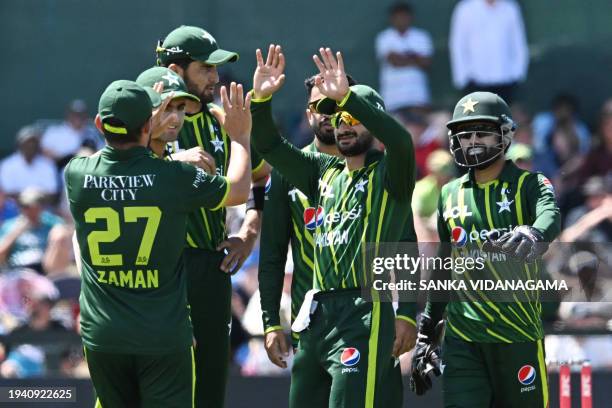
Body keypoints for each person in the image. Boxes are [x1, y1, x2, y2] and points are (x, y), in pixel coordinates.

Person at [65, 79, 252, 407]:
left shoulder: (76, 174)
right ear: (149, 124)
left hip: (102, 336)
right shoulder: (172, 178)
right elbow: (237, 190)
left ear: (98, 123)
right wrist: (240, 137)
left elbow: (116, 167)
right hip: (161, 337)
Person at [251, 44, 417, 407]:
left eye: (351, 118)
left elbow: (402, 142)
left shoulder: (392, 175)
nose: (341, 125)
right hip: (314, 315)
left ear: (373, 119)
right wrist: (261, 101)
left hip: (362, 309)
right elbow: (268, 146)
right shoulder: (321, 172)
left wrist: (348, 100)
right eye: (335, 117)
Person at [411, 91, 561, 407]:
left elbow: (551, 215)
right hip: (463, 341)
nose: (473, 141)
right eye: (465, 135)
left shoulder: (529, 184)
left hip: (517, 335)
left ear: (504, 135)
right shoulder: (449, 193)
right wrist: (427, 332)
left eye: (482, 133)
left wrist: (534, 234)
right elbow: (444, 264)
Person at [156, 26, 270, 407]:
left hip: (212, 263)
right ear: (176, 69)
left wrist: (251, 227)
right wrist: (171, 160)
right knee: (165, 381)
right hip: (161, 267)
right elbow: (117, 168)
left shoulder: (222, 117)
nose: (215, 78)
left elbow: (260, 177)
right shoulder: (144, 116)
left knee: (210, 381)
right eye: (205, 68)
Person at [259, 74, 355, 364]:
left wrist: (402, 316)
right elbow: (273, 254)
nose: (327, 114)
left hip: (364, 323)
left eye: (335, 104)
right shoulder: (287, 171)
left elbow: (399, 242)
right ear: (307, 114)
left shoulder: (375, 169)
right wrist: (271, 322)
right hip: (308, 324)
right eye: (319, 106)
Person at [449, 0, 528, 103]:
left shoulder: (510, 8)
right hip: (475, 81)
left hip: (505, 80)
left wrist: (517, 74)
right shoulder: (465, 9)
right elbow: (458, 45)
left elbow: (518, 42)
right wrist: (463, 78)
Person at [375, 2, 433, 114]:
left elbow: (425, 62)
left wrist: (403, 57)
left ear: (410, 17)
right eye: (398, 16)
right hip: (392, 98)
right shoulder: (384, 37)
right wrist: (415, 57)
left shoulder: (422, 36)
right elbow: (394, 61)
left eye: (405, 16)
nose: (402, 19)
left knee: (418, 128)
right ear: (392, 18)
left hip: (417, 96)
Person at [0, 188, 63, 273]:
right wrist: (16, 232)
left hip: (43, 268)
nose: (31, 210)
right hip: (17, 269)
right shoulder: (10, 225)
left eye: (35, 206)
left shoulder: (50, 223)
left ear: (42, 207)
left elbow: (64, 230)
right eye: (26, 207)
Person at [0, 126, 59, 197]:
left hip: (41, 205)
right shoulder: (7, 165)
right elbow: (7, 192)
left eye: (34, 142)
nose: (31, 145)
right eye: (28, 142)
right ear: (20, 144)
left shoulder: (48, 165)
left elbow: (52, 192)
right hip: (14, 206)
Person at [41, 99, 102, 168]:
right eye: (75, 114)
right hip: (59, 175)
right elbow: (45, 152)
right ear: (68, 114)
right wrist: (73, 156)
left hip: (85, 175)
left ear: (86, 116)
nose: (78, 118)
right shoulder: (55, 132)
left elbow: (101, 153)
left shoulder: (92, 134)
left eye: (81, 114)